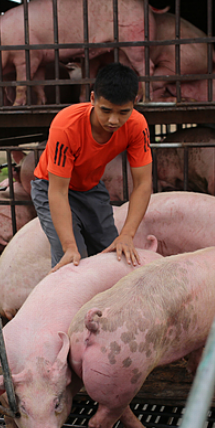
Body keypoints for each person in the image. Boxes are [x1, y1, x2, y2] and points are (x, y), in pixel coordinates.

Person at [31, 62, 153, 272]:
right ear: (92, 99)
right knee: (71, 262)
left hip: (90, 188)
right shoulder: (66, 125)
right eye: (105, 110)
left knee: (112, 252)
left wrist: (127, 234)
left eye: (123, 112)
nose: (113, 120)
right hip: (51, 186)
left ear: (135, 102)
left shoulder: (137, 125)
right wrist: (69, 246)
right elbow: (58, 191)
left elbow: (143, 183)